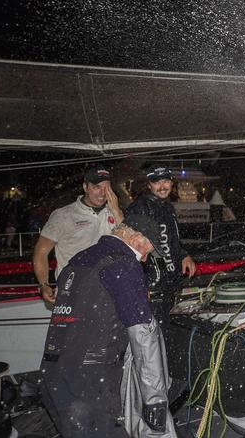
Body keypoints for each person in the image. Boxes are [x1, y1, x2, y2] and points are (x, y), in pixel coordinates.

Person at [39, 213, 176, 437]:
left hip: (54, 374)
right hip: (91, 385)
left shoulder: (78, 259)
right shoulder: (123, 263)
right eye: (148, 250)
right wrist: (155, 401)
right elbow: (143, 336)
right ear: (135, 237)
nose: (144, 259)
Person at [33, 165, 123, 304]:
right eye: (97, 187)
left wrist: (116, 211)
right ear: (85, 187)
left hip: (108, 292)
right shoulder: (63, 215)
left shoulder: (116, 213)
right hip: (72, 291)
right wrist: (44, 285)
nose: (102, 193)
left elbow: (129, 245)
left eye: (107, 188)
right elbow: (41, 252)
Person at [125, 165, 196, 330]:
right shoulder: (140, 207)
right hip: (153, 288)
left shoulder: (167, 207)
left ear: (172, 183)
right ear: (149, 185)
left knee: (169, 334)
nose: (162, 186)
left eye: (165, 181)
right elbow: (129, 249)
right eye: (157, 182)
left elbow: (171, 240)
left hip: (170, 284)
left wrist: (184, 255)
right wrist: (140, 284)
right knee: (154, 337)